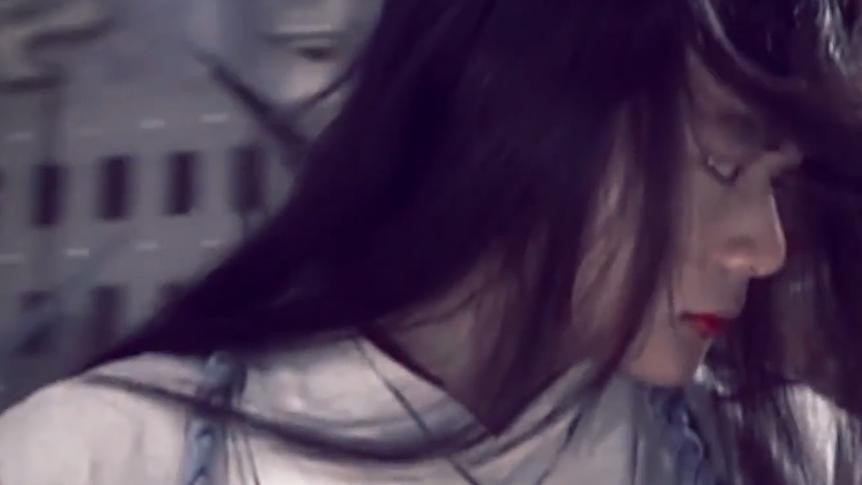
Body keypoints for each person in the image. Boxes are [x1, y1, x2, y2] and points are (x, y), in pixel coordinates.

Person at [2, 0, 862, 484]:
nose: (764, 247)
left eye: (778, 185)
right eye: (726, 163)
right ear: (533, 111)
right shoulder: (100, 457)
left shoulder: (797, 454)